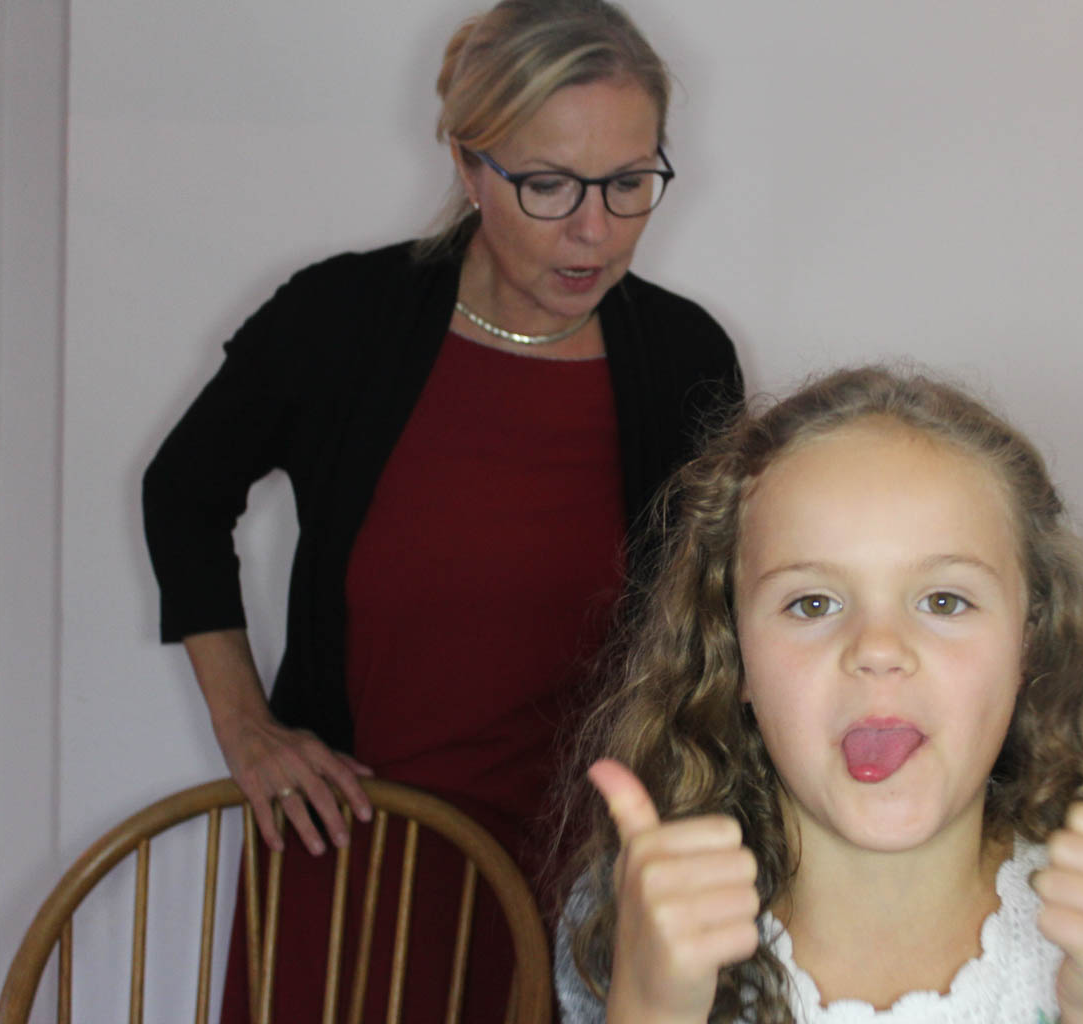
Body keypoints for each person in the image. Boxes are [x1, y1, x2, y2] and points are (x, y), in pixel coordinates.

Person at [141, 1, 742, 1018]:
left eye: (629, 182)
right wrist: (246, 727)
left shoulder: (686, 361)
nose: (594, 230)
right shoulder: (339, 321)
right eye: (548, 184)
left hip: (578, 885)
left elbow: (719, 615)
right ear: (468, 166)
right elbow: (183, 493)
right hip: (345, 863)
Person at [557, 366, 1083, 1023]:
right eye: (813, 603)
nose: (877, 648)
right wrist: (650, 1009)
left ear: (1029, 643)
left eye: (944, 600)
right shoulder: (636, 916)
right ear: (733, 653)